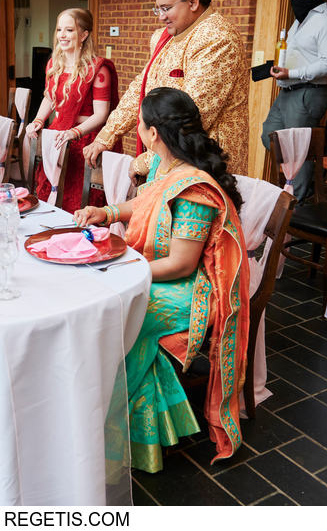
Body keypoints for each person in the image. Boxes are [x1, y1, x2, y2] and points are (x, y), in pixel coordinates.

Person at [74, 87, 250, 472]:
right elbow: (145, 201)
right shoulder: (162, 165)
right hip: (155, 272)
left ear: (153, 132)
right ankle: (111, 424)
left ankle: (100, 428)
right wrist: (106, 213)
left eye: (140, 121)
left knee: (121, 313)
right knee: (111, 304)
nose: (137, 127)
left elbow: (183, 264)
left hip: (191, 290)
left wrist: (123, 270)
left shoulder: (196, 188)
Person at [83, 0, 249, 176]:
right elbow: (141, 88)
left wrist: (147, 161)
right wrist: (106, 136)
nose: (161, 17)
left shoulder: (217, 38)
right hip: (166, 158)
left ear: (193, 2)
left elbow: (192, 116)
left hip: (203, 166)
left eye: (166, 8)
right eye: (157, 9)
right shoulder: (168, 36)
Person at [261, 0, 327, 202]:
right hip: (288, 90)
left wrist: (294, 73)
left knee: (296, 150)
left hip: (309, 93)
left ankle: (297, 205)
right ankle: (312, 173)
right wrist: (280, 70)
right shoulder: (300, 21)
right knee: (269, 135)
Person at [25, 8, 118, 213]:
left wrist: (74, 133)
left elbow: (101, 114)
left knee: (77, 201)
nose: (62, 35)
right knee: (51, 196)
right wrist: (38, 121)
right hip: (58, 137)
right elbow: (50, 98)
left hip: (85, 140)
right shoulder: (54, 63)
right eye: (59, 30)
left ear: (84, 35)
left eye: (69, 30)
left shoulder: (98, 69)